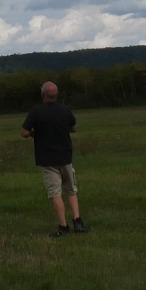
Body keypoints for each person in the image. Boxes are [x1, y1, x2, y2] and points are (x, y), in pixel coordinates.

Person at [20, 81, 87, 237]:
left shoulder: (36, 111)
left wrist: (34, 133)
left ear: (43, 94)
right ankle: (77, 222)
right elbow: (74, 127)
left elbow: (24, 132)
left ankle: (63, 227)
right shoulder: (64, 109)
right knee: (71, 190)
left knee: (55, 193)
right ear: (56, 95)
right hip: (65, 156)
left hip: (47, 159)